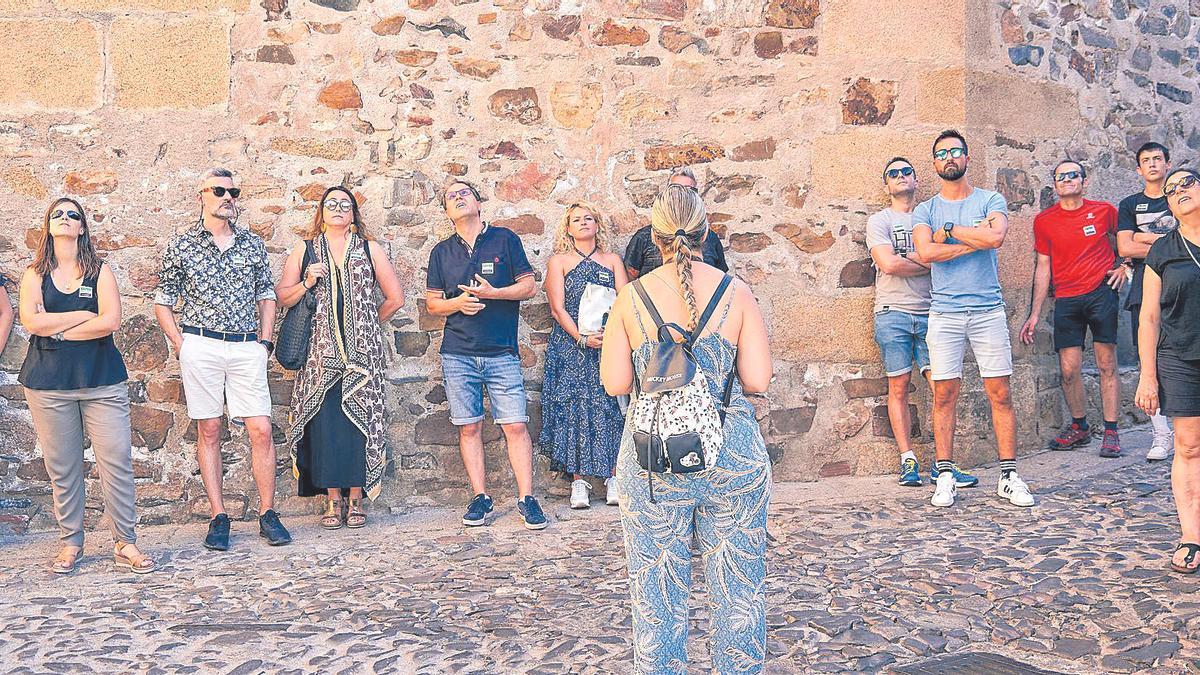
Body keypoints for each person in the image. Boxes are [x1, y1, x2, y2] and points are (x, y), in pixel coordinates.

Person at [601, 184, 773, 672]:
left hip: (653, 460)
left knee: (655, 598)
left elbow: (614, 380)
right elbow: (757, 380)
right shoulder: (734, 292)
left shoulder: (632, 298)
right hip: (731, 458)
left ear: (652, 238)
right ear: (705, 232)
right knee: (739, 593)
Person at [154, 168, 291, 550]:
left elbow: (266, 294)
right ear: (202, 195)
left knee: (261, 428)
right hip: (201, 345)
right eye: (220, 191)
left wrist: (264, 342)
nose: (228, 197)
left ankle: (268, 513)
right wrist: (181, 344)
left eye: (233, 191)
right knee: (209, 429)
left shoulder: (252, 244)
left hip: (247, 345)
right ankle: (219, 516)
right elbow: (163, 300)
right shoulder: (182, 245)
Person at [18, 198, 154, 574]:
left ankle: (125, 542)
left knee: (116, 462)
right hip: (47, 383)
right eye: (57, 214)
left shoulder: (100, 271)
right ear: (49, 226)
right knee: (63, 467)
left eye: (72, 215)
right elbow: (31, 322)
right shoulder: (35, 274)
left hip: (101, 379)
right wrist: (81, 317)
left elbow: (110, 321)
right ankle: (71, 543)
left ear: (82, 228)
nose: (65, 219)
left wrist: (57, 327)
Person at [912, 129, 1034, 509]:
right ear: (935, 164)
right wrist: (973, 239)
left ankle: (1009, 476)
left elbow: (996, 238)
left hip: (987, 311)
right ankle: (945, 473)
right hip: (945, 313)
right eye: (941, 153)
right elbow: (925, 253)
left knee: (1000, 392)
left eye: (955, 152)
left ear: (967, 158)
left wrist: (949, 232)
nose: (949, 157)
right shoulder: (925, 209)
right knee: (944, 394)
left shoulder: (990, 198)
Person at [276, 187, 405, 529]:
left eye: (344, 205)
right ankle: (333, 500)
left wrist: (365, 325)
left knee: (358, 426)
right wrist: (306, 282)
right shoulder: (305, 251)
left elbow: (395, 298)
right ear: (321, 212)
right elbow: (283, 297)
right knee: (326, 426)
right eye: (330, 204)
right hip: (320, 357)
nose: (337, 209)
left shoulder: (368, 249)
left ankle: (357, 498)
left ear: (353, 214)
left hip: (362, 359)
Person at [425, 179, 548, 530]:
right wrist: (457, 303)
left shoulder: (505, 240)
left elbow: (528, 286)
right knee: (469, 428)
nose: (459, 198)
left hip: (501, 352)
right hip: (458, 354)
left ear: (478, 203)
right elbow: (433, 303)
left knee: (515, 426)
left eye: (464, 192)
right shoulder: (440, 253)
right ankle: (480, 497)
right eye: (451, 196)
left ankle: (527, 498)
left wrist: (493, 293)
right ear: (447, 212)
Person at [1020, 160, 1127, 457]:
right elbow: (1043, 267)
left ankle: (1111, 431)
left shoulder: (1104, 210)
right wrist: (1034, 313)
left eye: (1073, 175)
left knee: (1107, 364)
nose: (1067, 180)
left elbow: (1126, 243)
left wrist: (1125, 267)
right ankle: (1080, 427)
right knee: (1069, 370)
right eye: (1061, 177)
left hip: (1101, 294)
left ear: (1084, 181)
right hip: (1066, 298)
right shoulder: (1044, 221)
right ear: (1055, 185)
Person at [539, 202, 628, 509]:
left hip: (608, 343)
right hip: (572, 347)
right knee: (575, 409)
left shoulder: (612, 260)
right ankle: (580, 482)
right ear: (568, 228)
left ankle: (614, 477)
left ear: (597, 224)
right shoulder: (560, 262)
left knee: (611, 407)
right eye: (576, 219)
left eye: (589, 218)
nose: (583, 223)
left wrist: (613, 335)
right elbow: (557, 307)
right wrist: (581, 338)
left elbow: (624, 301)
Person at [1135, 167, 1200, 574]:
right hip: (1179, 357)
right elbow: (1149, 317)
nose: (1179, 191)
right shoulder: (1163, 250)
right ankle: (1192, 536)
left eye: (1187, 183)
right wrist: (1147, 374)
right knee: (1189, 446)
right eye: (1171, 190)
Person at [867, 157, 933, 487]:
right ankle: (908, 460)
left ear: (916, 180)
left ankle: (944, 461)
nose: (901, 177)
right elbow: (888, 265)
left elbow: (939, 258)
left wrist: (904, 258)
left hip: (932, 313)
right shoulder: (880, 221)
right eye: (893, 173)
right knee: (899, 387)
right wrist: (928, 260)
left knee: (942, 387)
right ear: (887, 185)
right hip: (892, 312)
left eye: (907, 172)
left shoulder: (931, 217)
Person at [1119, 142, 1177, 462]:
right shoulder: (1129, 204)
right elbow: (1125, 247)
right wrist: (1168, 242)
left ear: (1167, 164)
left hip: (1181, 286)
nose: (1152, 164)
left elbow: (1188, 240)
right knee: (1148, 359)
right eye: (1146, 161)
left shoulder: (1177, 200)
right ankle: (1160, 433)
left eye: (1157, 159)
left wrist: (1145, 238)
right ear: (1139, 170)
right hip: (1144, 287)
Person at [623, 167, 729, 279]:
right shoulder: (643, 237)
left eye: (689, 190)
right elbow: (630, 275)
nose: (682, 196)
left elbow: (720, 276)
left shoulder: (711, 237)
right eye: (676, 189)